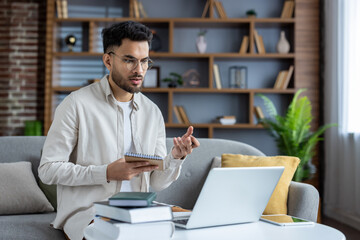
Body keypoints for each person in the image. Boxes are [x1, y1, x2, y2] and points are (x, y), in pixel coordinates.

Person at [38, 21, 200, 240]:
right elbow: (47, 170)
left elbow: (155, 182)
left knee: (196, 227)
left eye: (144, 61)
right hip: (90, 213)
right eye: (129, 60)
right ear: (108, 60)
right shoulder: (76, 104)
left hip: (140, 212)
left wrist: (175, 158)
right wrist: (106, 173)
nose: (139, 70)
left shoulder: (152, 112)